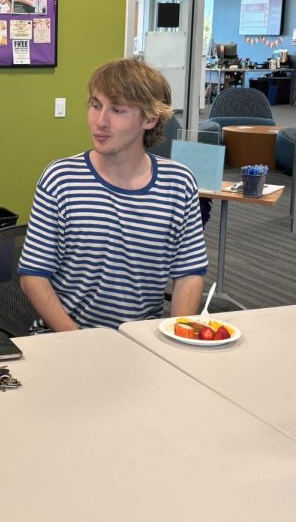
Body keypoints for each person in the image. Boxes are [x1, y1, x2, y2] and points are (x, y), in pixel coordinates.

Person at [19, 58, 207, 330]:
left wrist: (179, 335)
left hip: (143, 341)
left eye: (117, 110)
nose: (100, 121)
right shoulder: (61, 179)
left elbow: (189, 273)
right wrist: (80, 340)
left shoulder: (178, 183)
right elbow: (33, 276)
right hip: (67, 340)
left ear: (150, 118)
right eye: (96, 105)